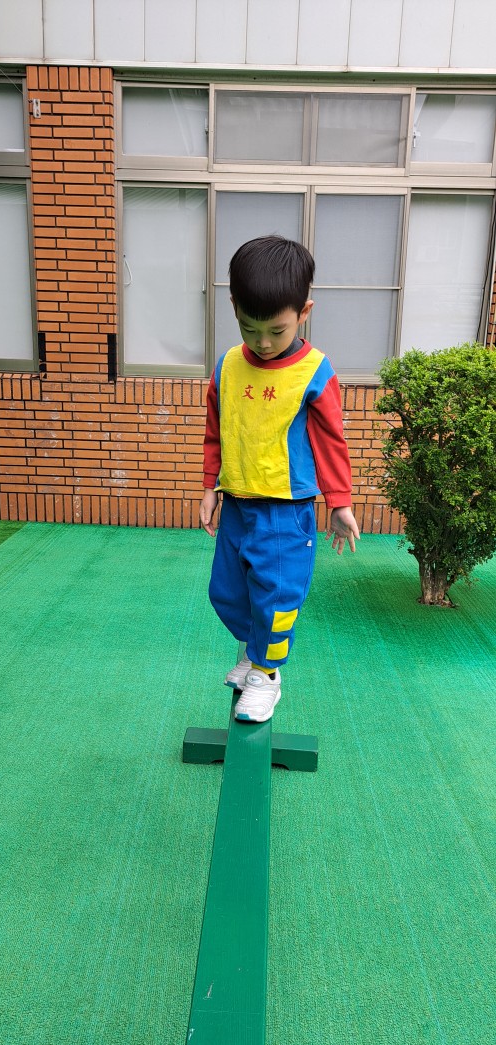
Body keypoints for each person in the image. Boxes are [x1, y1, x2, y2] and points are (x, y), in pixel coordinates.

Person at [199, 235, 360, 723]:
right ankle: (254, 654)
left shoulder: (314, 370)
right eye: (249, 328)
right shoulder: (229, 365)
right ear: (233, 307)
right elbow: (217, 429)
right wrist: (209, 487)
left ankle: (267, 675)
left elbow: (330, 441)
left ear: (303, 312)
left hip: (286, 512)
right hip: (237, 504)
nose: (263, 342)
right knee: (226, 593)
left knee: (276, 598)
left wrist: (339, 502)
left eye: (276, 330)